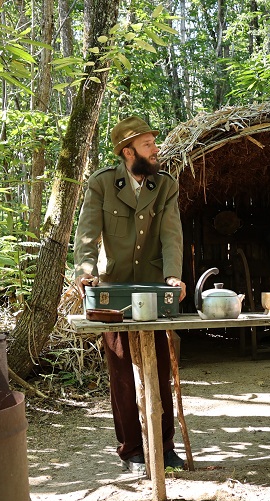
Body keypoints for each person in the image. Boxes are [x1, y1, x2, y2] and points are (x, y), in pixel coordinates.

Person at [74, 116, 187, 472]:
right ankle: (132, 451)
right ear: (128, 152)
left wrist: (173, 277)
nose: (156, 149)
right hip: (112, 290)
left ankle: (164, 448)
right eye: (147, 144)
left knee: (160, 371)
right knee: (122, 373)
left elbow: (171, 234)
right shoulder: (102, 183)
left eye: (154, 143)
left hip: (153, 288)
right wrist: (85, 273)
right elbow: (87, 233)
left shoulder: (165, 185)